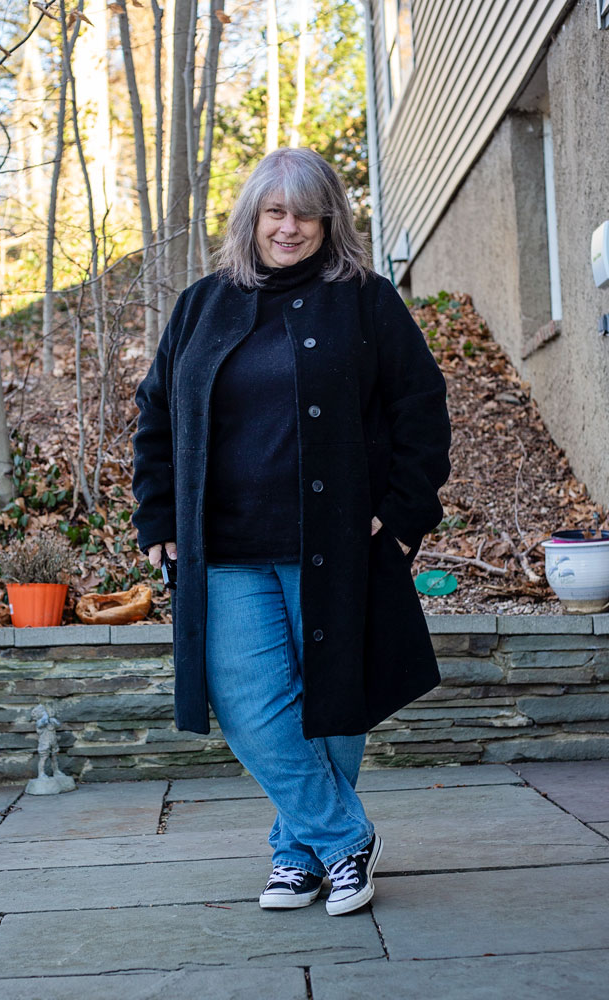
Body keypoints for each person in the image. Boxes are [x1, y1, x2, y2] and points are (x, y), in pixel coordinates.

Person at [132, 147, 451, 916]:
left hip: (337, 541)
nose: (289, 226)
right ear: (251, 219)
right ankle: (344, 840)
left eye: (306, 212)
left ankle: (296, 857)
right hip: (226, 546)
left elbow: (422, 408)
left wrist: (403, 514)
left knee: (334, 697)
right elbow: (155, 414)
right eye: (274, 211)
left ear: (328, 219)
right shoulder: (202, 304)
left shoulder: (366, 300)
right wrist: (157, 514)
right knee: (247, 699)